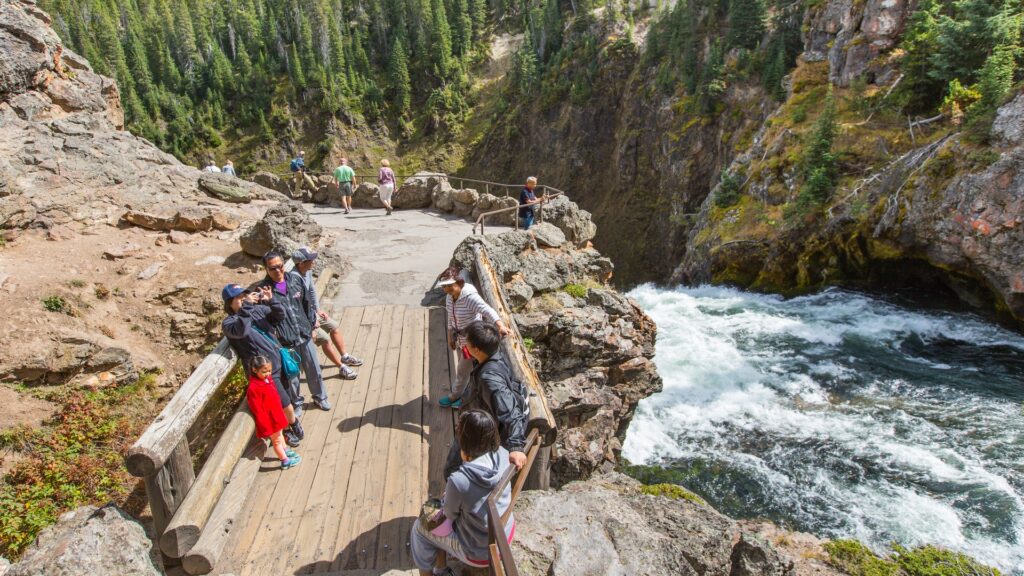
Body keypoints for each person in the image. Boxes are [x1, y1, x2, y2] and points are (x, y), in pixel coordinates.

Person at [411, 409, 514, 576]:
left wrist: (444, 501)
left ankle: (437, 571)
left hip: (478, 551)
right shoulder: (504, 454)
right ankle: (440, 569)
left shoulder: (460, 480)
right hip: (505, 534)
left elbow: (448, 515)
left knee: (421, 527)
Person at [221, 283, 303, 446]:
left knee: (286, 397)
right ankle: (290, 427)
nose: (244, 299)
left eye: (245, 296)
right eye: (239, 298)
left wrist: (271, 301)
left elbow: (279, 317)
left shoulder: (256, 311)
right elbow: (241, 331)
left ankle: (290, 425)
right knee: (282, 402)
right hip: (263, 372)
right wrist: (247, 308)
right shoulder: (229, 323)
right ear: (229, 303)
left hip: (277, 362)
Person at [444, 322, 528, 479]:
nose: (465, 344)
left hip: (477, 430)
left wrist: (516, 446)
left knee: (453, 469)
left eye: (467, 342)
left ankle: (450, 498)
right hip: (476, 419)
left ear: (476, 349)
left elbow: (510, 411)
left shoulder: (489, 379)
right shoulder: (493, 354)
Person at [258, 251, 331, 412]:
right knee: (292, 376)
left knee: (314, 370)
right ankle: (297, 403)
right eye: (272, 268)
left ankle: (320, 397)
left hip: (304, 334)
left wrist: (312, 327)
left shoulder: (295, 280)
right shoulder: (264, 290)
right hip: (285, 341)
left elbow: (307, 305)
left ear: (284, 264)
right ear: (266, 269)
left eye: (280, 266)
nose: (277, 271)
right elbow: (264, 318)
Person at [436, 266, 510, 409]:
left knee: (463, 370)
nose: (446, 290)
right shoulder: (449, 297)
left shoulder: (470, 298)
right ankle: (463, 396)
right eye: (444, 287)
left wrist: (500, 326)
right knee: (467, 370)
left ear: (460, 284)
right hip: (460, 340)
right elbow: (451, 318)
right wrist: (450, 337)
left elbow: (487, 310)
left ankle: (456, 397)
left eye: (450, 286)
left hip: (472, 343)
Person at [292, 247, 363, 380]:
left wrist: (318, 310)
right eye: (311, 259)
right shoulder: (293, 281)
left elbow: (312, 291)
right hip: (304, 320)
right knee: (324, 339)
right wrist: (313, 322)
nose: (314, 261)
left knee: (333, 326)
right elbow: (297, 307)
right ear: (301, 263)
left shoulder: (306, 271)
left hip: (312, 312)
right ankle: (341, 367)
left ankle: (345, 356)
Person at [246, 355, 302, 470]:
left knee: (280, 435)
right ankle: (284, 460)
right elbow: (257, 409)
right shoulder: (253, 388)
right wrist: (265, 425)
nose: (268, 374)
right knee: (276, 440)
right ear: (254, 370)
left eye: (270, 371)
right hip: (269, 419)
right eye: (264, 371)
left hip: (276, 414)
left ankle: (285, 450)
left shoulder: (267, 379)